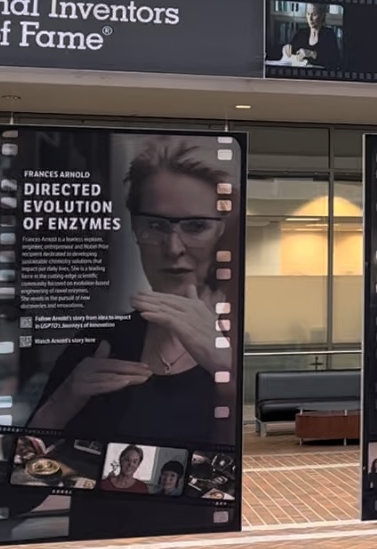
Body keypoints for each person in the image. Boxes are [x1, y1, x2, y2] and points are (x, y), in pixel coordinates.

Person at [25, 137, 237, 448]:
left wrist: (225, 369)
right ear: (135, 229)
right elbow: (22, 474)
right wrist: (65, 399)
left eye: (195, 226)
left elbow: (253, 453)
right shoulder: (101, 342)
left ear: (221, 231)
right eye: (155, 225)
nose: (173, 248)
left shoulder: (237, 338)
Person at [281, 4, 343, 69]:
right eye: (308, 14)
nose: (310, 18)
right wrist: (286, 48)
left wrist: (311, 53)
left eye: (314, 15)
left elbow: (335, 62)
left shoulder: (328, 34)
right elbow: (291, 50)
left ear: (322, 15)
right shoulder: (301, 33)